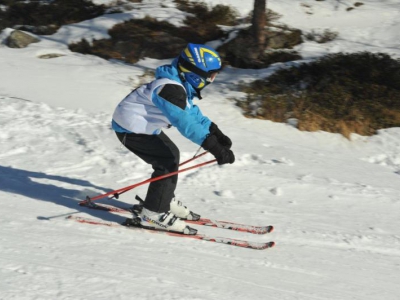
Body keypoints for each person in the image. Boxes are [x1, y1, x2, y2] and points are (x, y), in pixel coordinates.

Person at [111, 43, 235, 234]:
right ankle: (153, 214)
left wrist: (216, 133)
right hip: (130, 129)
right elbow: (186, 124)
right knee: (167, 161)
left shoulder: (177, 84)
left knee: (171, 156)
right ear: (196, 73)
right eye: (211, 75)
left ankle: (163, 200)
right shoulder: (170, 89)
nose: (212, 79)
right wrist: (214, 147)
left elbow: (193, 114)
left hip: (140, 127)